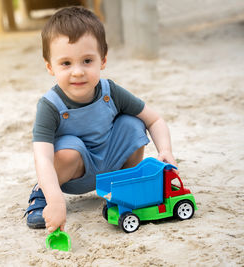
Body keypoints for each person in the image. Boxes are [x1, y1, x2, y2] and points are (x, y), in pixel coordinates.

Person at [24, 6, 177, 233]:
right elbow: (43, 158)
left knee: (133, 123)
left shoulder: (109, 92)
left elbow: (154, 119)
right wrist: (55, 200)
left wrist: (165, 150)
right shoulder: (50, 105)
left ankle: (124, 187)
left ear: (102, 61)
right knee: (70, 148)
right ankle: (41, 195)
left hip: (112, 166)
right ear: (50, 67)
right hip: (73, 175)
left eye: (87, 60)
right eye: (66, 63)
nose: (78, 71)